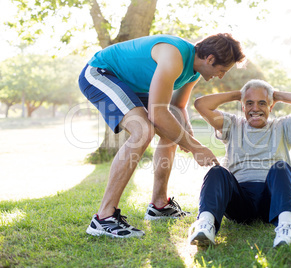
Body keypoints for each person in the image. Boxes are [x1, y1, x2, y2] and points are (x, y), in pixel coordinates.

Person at [79, 33, 246, 238]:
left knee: (171, 131)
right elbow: (158, 114)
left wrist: (186, 134)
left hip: (131, 85)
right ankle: (103, 218)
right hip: (100, 73)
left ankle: (159, 205)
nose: (221, 76)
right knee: (144, 130)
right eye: (222, 70)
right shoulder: (174, 55)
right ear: (210, 59)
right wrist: (195, 147)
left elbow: (177, 107)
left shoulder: (193, 72)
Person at [188, 79, 291, 247]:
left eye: (262, 103)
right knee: (217, 171)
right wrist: (239, 94)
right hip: (239, 201)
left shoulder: (283, 126)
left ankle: (286, 227)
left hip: (273, 200)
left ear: (271, 107)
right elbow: (201, 104)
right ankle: (205, 225)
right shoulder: (232, 124)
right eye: (249, 103)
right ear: (243, 107)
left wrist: (276, 95)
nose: (255, 108)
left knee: (282, 167)